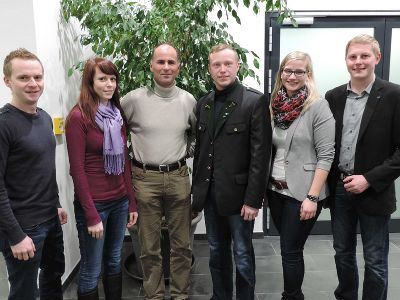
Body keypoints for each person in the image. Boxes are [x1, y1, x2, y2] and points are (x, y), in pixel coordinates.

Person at [191, 44, 271, 300]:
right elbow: (203, 152)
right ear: (209, 69)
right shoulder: (203, 103)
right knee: (216, 250)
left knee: (243, 254)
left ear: (238, 65)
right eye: (217, 65)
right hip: (211, 195)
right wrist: (197, 194)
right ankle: (221, 295)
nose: (223, 69)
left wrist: (253, 200)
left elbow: (261, 155)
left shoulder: (254, 100)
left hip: (239, 198)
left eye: (228, 64)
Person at [326, 34, 400, 300]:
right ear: (346, 60)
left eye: (364, 56)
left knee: (375, 260)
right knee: (342, 254)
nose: (358, 62)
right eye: (353, 57)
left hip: (374, 190)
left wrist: (368, 179)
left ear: (376, 58)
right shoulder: (333, 96)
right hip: (340, 188)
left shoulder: (394, 95)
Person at [121, 43, 196, 300]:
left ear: (178, 66)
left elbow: (197, 135)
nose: (166, 67)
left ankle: (179, 295)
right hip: (144, 179)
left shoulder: (188, 100)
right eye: (161, 62)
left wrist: (186, 152)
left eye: (171, 62)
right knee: (149, 247)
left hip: (178, 177)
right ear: (151, 65)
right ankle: (153, 296)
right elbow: (115, 132)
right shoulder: (133, 100)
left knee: (182, 246)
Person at [65, 57, 138, 300]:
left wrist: (131, 201)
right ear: (90, 81)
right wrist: (92, 215)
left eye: (113, 79)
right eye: (102, 79)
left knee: (114, 261)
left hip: (119, 201)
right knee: (91, 269)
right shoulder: (78, 118)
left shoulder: (117, 115)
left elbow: (125, 162)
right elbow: (77, 170)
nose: (109, 84)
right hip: (94, 205)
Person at [266, 51, 335, 300]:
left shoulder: (317, 105)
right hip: (275, 190)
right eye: (288, 70)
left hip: (303, 192)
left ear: (308, 74)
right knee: (288, 248)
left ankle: (292, 296)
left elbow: (326, 156)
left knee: (290, 250)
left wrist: (312, 197)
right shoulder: (275, 103)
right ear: (281, 72)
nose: (292, 76)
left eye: (299, 71)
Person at [0, 48, 67, 300]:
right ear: (8, 81)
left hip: (50, 219)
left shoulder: (45, 118)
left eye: (37, 77)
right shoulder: (4, 125)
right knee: (25, 292)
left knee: (53, 280)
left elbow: (43, 169)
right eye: (24, 78)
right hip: (23, 227)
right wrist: (15, 236)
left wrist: (56, 203)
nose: (33, 84)